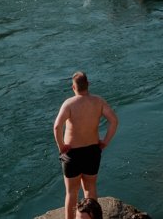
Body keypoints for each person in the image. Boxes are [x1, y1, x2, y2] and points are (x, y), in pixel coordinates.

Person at [53, 71, 118, 219]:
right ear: (88, 84)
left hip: (72, 153)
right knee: (90, 188)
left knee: (71, 193)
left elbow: (57, 127)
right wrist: (105, 141)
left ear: (73, 87)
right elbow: (114, 120)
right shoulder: (98, 101)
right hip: (92, 151)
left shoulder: (69, 104)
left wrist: (61, 147)